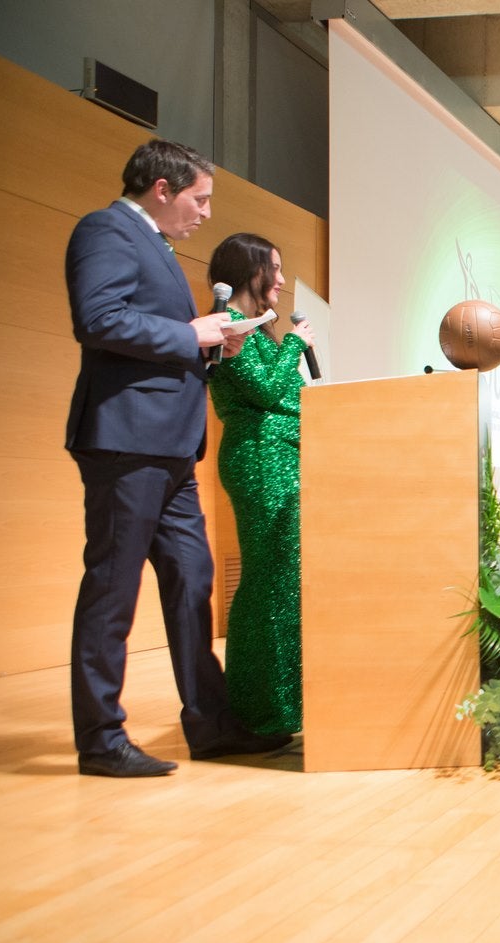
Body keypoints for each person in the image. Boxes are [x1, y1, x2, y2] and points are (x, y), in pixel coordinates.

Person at [64, 140, 292, 777]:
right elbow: (98, 319)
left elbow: (152, 339)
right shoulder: (106, 230)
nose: (206, 213)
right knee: (112, 589)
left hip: (169, 449)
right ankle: (100, 740)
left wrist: (213, 346)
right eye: (201, 198)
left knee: (192, 581)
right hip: (127, 441)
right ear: (162, 189)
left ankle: (211, 724)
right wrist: (191, 332)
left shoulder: (156, 246)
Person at [207, 234, 313, 735]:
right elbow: (268, 391)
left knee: (285, 580)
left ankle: (284, 704)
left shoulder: (261, 332)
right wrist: (295, 343)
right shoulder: (227, 322)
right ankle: (258, 708)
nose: (283, 280)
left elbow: (287, 391)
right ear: (251, 271)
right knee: (269, 580)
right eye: (275, 268)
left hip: (284, 455)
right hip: (259, 459)